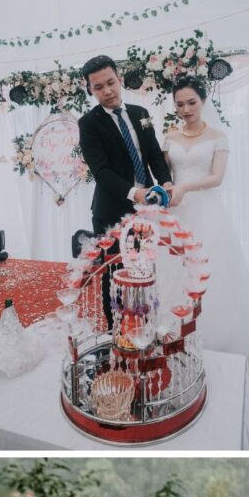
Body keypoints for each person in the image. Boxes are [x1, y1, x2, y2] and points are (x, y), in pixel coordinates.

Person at [162, 77, 249, 366]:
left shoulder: (218, 137)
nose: (185, 109)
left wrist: (183, 188)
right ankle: (174, 336)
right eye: (179, 104)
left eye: (191, 102)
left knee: (212, 275)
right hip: (177, 214)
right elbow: (165, 176)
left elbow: (217, 178)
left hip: (208, 212)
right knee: (174, 273)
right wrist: (170, 188)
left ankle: (216, 338)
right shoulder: (170, 138)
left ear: (203, 101)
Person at [78, 55, 173, 327]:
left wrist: (165, 182)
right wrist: (135, 193)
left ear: (119, 79)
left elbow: (154, 154)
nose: (107, 91)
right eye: (98, 87)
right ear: (90, 90)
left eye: (110, 83)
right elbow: (101, 171)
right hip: (111, 209)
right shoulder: (88, 124)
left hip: (148, 209)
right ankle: (115, 332)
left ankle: (144, 326)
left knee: (145, 268)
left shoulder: (139, 113)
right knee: (116, 273)